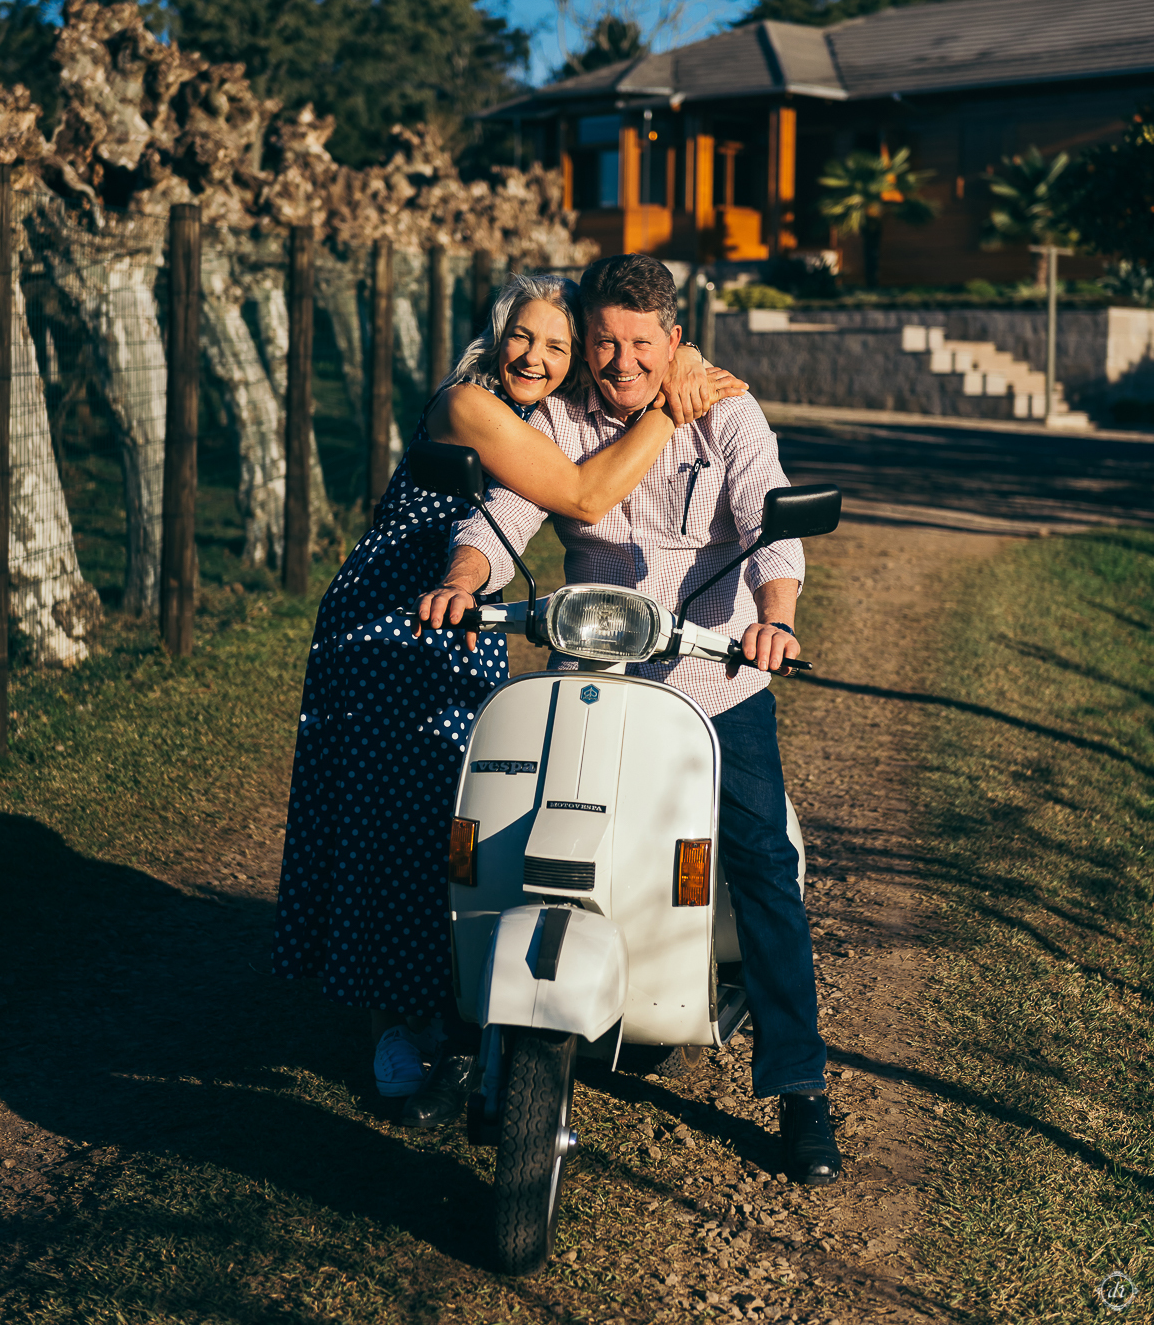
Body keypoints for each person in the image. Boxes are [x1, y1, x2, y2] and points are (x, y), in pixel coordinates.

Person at [271, 271, 744, 1130]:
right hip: (398, 616)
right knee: (394, 815)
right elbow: (582, 495)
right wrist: (672, 407)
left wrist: (677, 363)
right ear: (495, 336)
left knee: (476, 814)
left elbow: (637, 367)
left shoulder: (553, 415)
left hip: (472, 618)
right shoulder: (471, 404)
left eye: (561, 347)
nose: (537, 356)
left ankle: (465, 1010)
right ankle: (393, 1023)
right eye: (524, 336)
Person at [419, 254, 841, 1185]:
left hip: (718, 679)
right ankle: (467, 1020)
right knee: (505, 828)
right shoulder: (561, 416)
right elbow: (501, 517)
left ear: (673, 340)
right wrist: (460, 579)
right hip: (591, 674)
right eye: (603, 341)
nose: (618, 361)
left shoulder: (725, 408)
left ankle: (800, 1085)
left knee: (762, 859)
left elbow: (771, 521)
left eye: (640, 344)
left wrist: (776, 619)